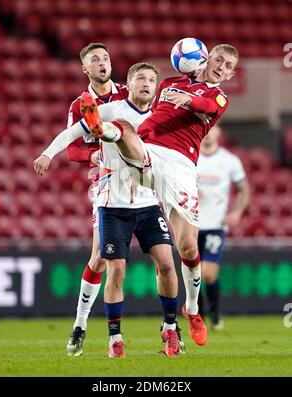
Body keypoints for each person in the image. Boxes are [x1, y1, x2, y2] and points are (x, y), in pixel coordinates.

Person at [80, 43, 240, 347]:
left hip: (181, 167)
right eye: (219, 59)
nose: (222, 66)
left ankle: (191, 310)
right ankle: (99, 128)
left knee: (188, 247)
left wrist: (188, 99)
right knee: (125, 129)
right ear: (208, 57)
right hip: (150, 154)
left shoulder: (217, 96)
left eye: (228, 66)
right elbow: (147, 107)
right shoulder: (169, 83)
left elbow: (204, 108)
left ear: (230, 74)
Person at [33, 62, 185, 358]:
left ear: (156, 87)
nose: (146, 83)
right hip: (112, 205)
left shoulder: (160, 117)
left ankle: (170, 327)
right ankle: (115, 338)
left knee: (167, 263)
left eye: (151, 79)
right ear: (129, 83)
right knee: (115, 270)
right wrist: (47, 153)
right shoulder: (110, 109)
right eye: (140, 78)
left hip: (147, 202)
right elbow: (72, 134)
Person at [36, 42, 128, 357]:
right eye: (94, 60)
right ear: (84, 69)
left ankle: (171, 326)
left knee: (162, 253)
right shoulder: (81, 105)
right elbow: (75, 148)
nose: (102, 62)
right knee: (101, 257)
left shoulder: (130, 93)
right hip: (105, 182)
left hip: (143, 182)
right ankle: (80, 325)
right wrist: (98, 152)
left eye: (105, 57)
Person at [197, 125, 250, 330]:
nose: (209, 133)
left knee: (208, 273)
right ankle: (198, 317)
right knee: (194, 275)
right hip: (191, 224)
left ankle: (215, 313)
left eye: (213, 129)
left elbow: (244, 189)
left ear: (219, 133)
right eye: (206, 129)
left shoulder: (229, 160)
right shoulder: (190, 157)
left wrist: (236, 211)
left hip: (215, 225)